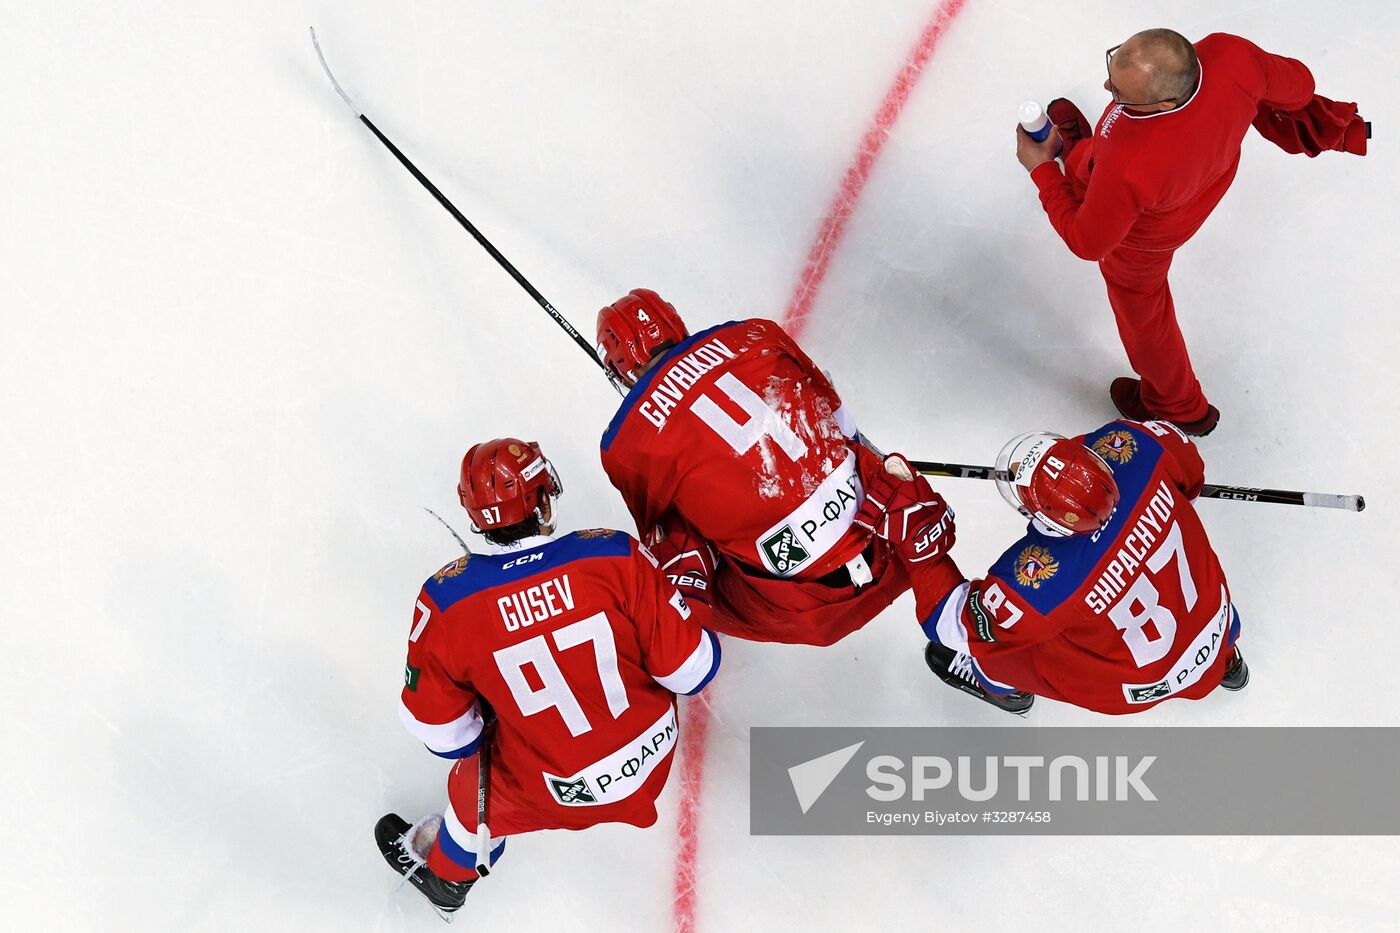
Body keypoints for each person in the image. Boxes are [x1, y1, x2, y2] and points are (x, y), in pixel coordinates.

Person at [375, 437, 721, 916]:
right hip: (652, 760)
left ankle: (449, 880)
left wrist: (494, 705)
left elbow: (445, 736)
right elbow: (694, 672)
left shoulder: (447, 600)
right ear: (542, 498)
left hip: (554, 792)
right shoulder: (614, 555)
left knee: (471, 786)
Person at [1017, 28, 1368, 435]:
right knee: (1094, 162)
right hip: (1200, 181)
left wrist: (1041, 169)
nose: (1106, 86)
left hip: (1145, 237)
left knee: (1142, 308)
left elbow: (1087, 241)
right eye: (1113, 69)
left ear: (1166, 101)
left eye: (1120, 94)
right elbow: (1300, 85)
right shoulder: (1231, 55)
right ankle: (1078, 153)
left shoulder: (1132, 165)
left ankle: (1178, 406)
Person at [596, 288, 960, 646]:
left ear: (620, 369)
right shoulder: (757, 332)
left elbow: (660, 541)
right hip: (894, 549)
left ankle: (687, 658)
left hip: (808, 614)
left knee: (674, 536)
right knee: (840, 440)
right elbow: (847, 429)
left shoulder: (623, 445)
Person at [862, 420, 1247, 716]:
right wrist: (1146, 514)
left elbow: (948, 621)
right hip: (1214, 618)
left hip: (1142, 681)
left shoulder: (1039, 582)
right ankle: (1225, 662)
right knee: (1202, 601)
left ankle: (1001, 689)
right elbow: (1191, 472)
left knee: (994, 651)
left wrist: (918, 537)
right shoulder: (1137, 447)